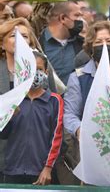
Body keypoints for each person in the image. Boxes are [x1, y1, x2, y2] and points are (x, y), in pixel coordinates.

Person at [0, 51, 63, 185]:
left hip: (41, 172)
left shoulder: (54, 101)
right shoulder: (13, 99)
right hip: (12, 169)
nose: (34, 73)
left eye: (39, 69)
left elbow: (57, 136)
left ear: (46, 72)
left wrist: (48, 167)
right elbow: (3, 134)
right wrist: (9, 115)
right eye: (30, 69)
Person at [63, 21, 110, 143]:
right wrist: (81, 131)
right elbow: (70, 114)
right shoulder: (78, 77)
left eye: (109, 41)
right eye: (98, 42)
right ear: (91, 49)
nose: (104, 46)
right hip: (94, 145)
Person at [0, 18, 42, 180]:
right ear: (2, 44)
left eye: (24, 36)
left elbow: (52, 102)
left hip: (30, 151)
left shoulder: (41, 69)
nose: (19, 39)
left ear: (31, 43)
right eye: (12, 35)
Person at [39, 1, 84, 85]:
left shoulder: (83, 45)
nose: (81, 20)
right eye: (77, 15)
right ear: (62, 18)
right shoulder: (37, 43)